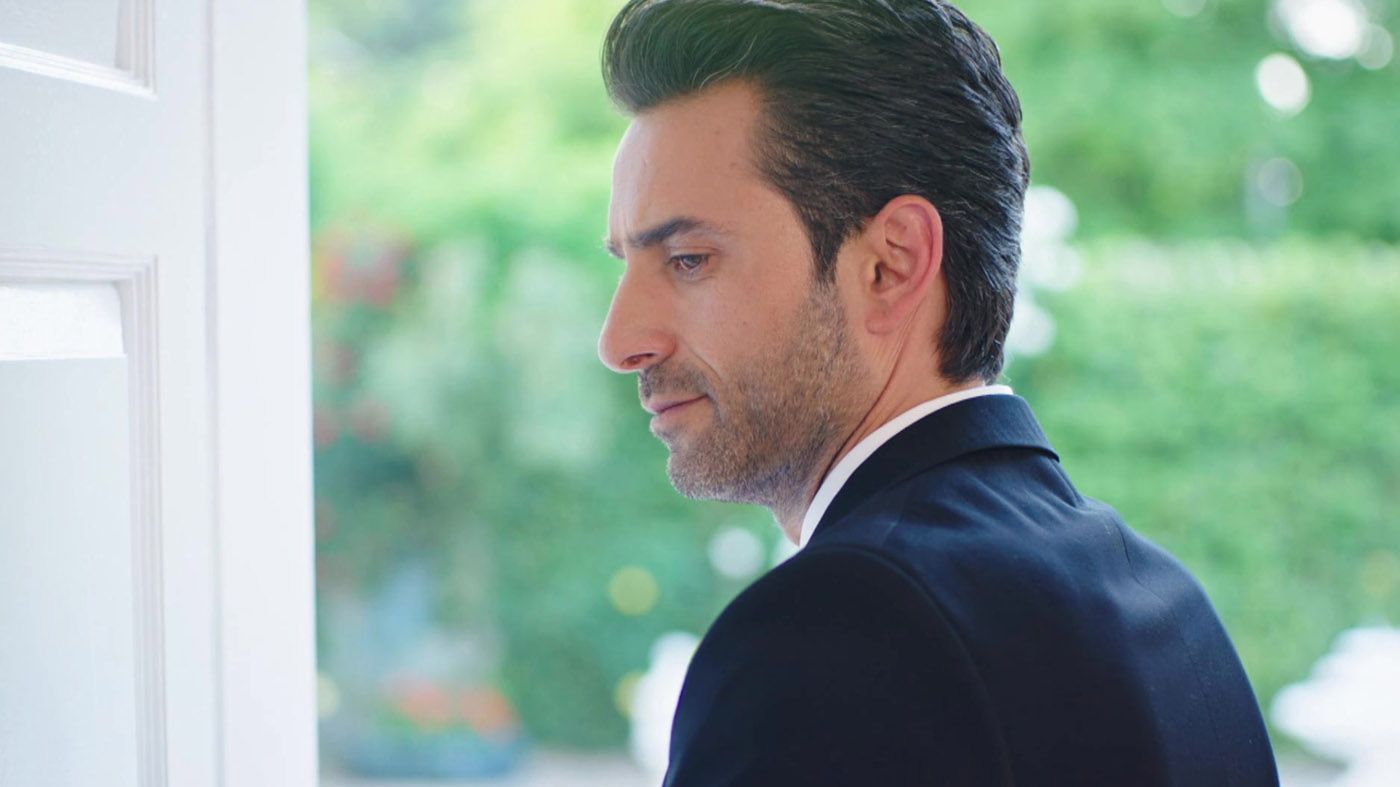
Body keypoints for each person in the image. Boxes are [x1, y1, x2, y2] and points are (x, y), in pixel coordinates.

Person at [595, 1, 1279, 784]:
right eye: (624, 263)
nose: (619, 341)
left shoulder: (830, 635)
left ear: (891, 264)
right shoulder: (1170, 610)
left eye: (687, 259)